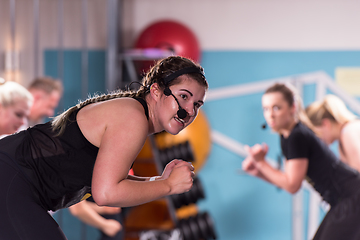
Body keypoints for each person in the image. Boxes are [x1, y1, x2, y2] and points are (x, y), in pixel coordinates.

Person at [0, 56, 208, 240]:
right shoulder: (133, 117)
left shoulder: (133, 114)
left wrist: (159, 181)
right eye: (183, 96)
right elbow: (106, 193)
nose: (189, 111)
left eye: (197, 104)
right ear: (156, 90)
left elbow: (111, 179)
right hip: (11, 179)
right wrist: (169, 186)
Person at [242, 83, 360, 240]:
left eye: (277, 108)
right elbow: (287, 180)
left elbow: (292, 185)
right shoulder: (286, 138)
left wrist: (262, 163)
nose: (271, 115)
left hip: (351, 197)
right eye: (266, 109)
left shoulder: (297, 136)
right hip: (342, 199)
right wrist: (260, 171)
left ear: (292, 108)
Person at [306, 94, 360, 172]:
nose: (319, 140)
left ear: (326, 124)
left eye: (317, 134)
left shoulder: (348, 132)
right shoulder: (344, 137)